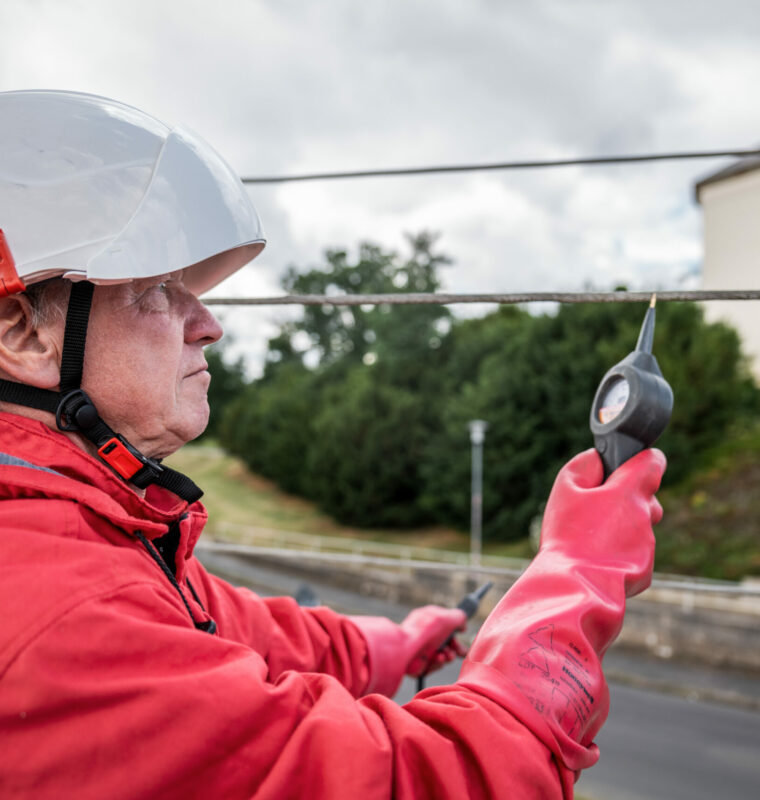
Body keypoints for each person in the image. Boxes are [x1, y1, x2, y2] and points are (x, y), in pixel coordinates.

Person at [0, 90, 665, 799]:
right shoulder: (65, 617)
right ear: (23, 334)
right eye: (158, 290)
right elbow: (438, 781)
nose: (209, 325)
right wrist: (580, 567)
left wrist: (398, 641)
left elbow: (244, 627)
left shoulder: (87, 534)